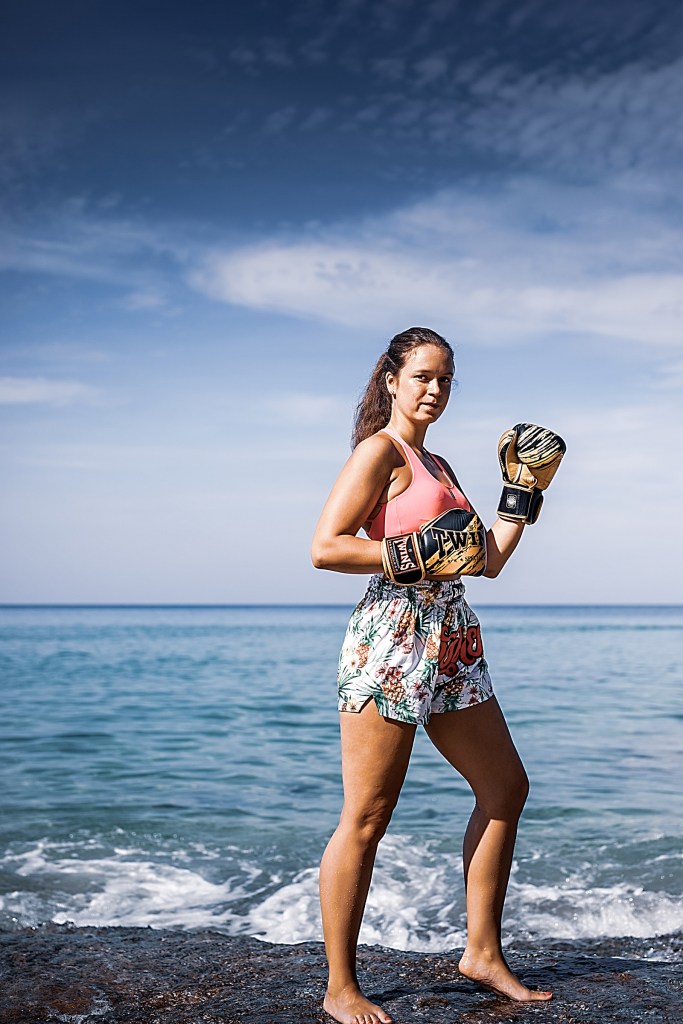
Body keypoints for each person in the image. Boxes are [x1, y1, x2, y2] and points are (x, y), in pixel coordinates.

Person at [311, 327, 564, 1024]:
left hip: (451, 638)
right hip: (391, 637)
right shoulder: (378, 453)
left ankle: (481, 953)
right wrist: (413, 548)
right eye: (422, 376)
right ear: (391, 380)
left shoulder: (441, 463)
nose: (434, 390)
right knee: (366, 816)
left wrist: (521, 490)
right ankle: (339, 987)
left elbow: (485, 560)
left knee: (504, 786)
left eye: (445, 379)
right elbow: (325, 548)